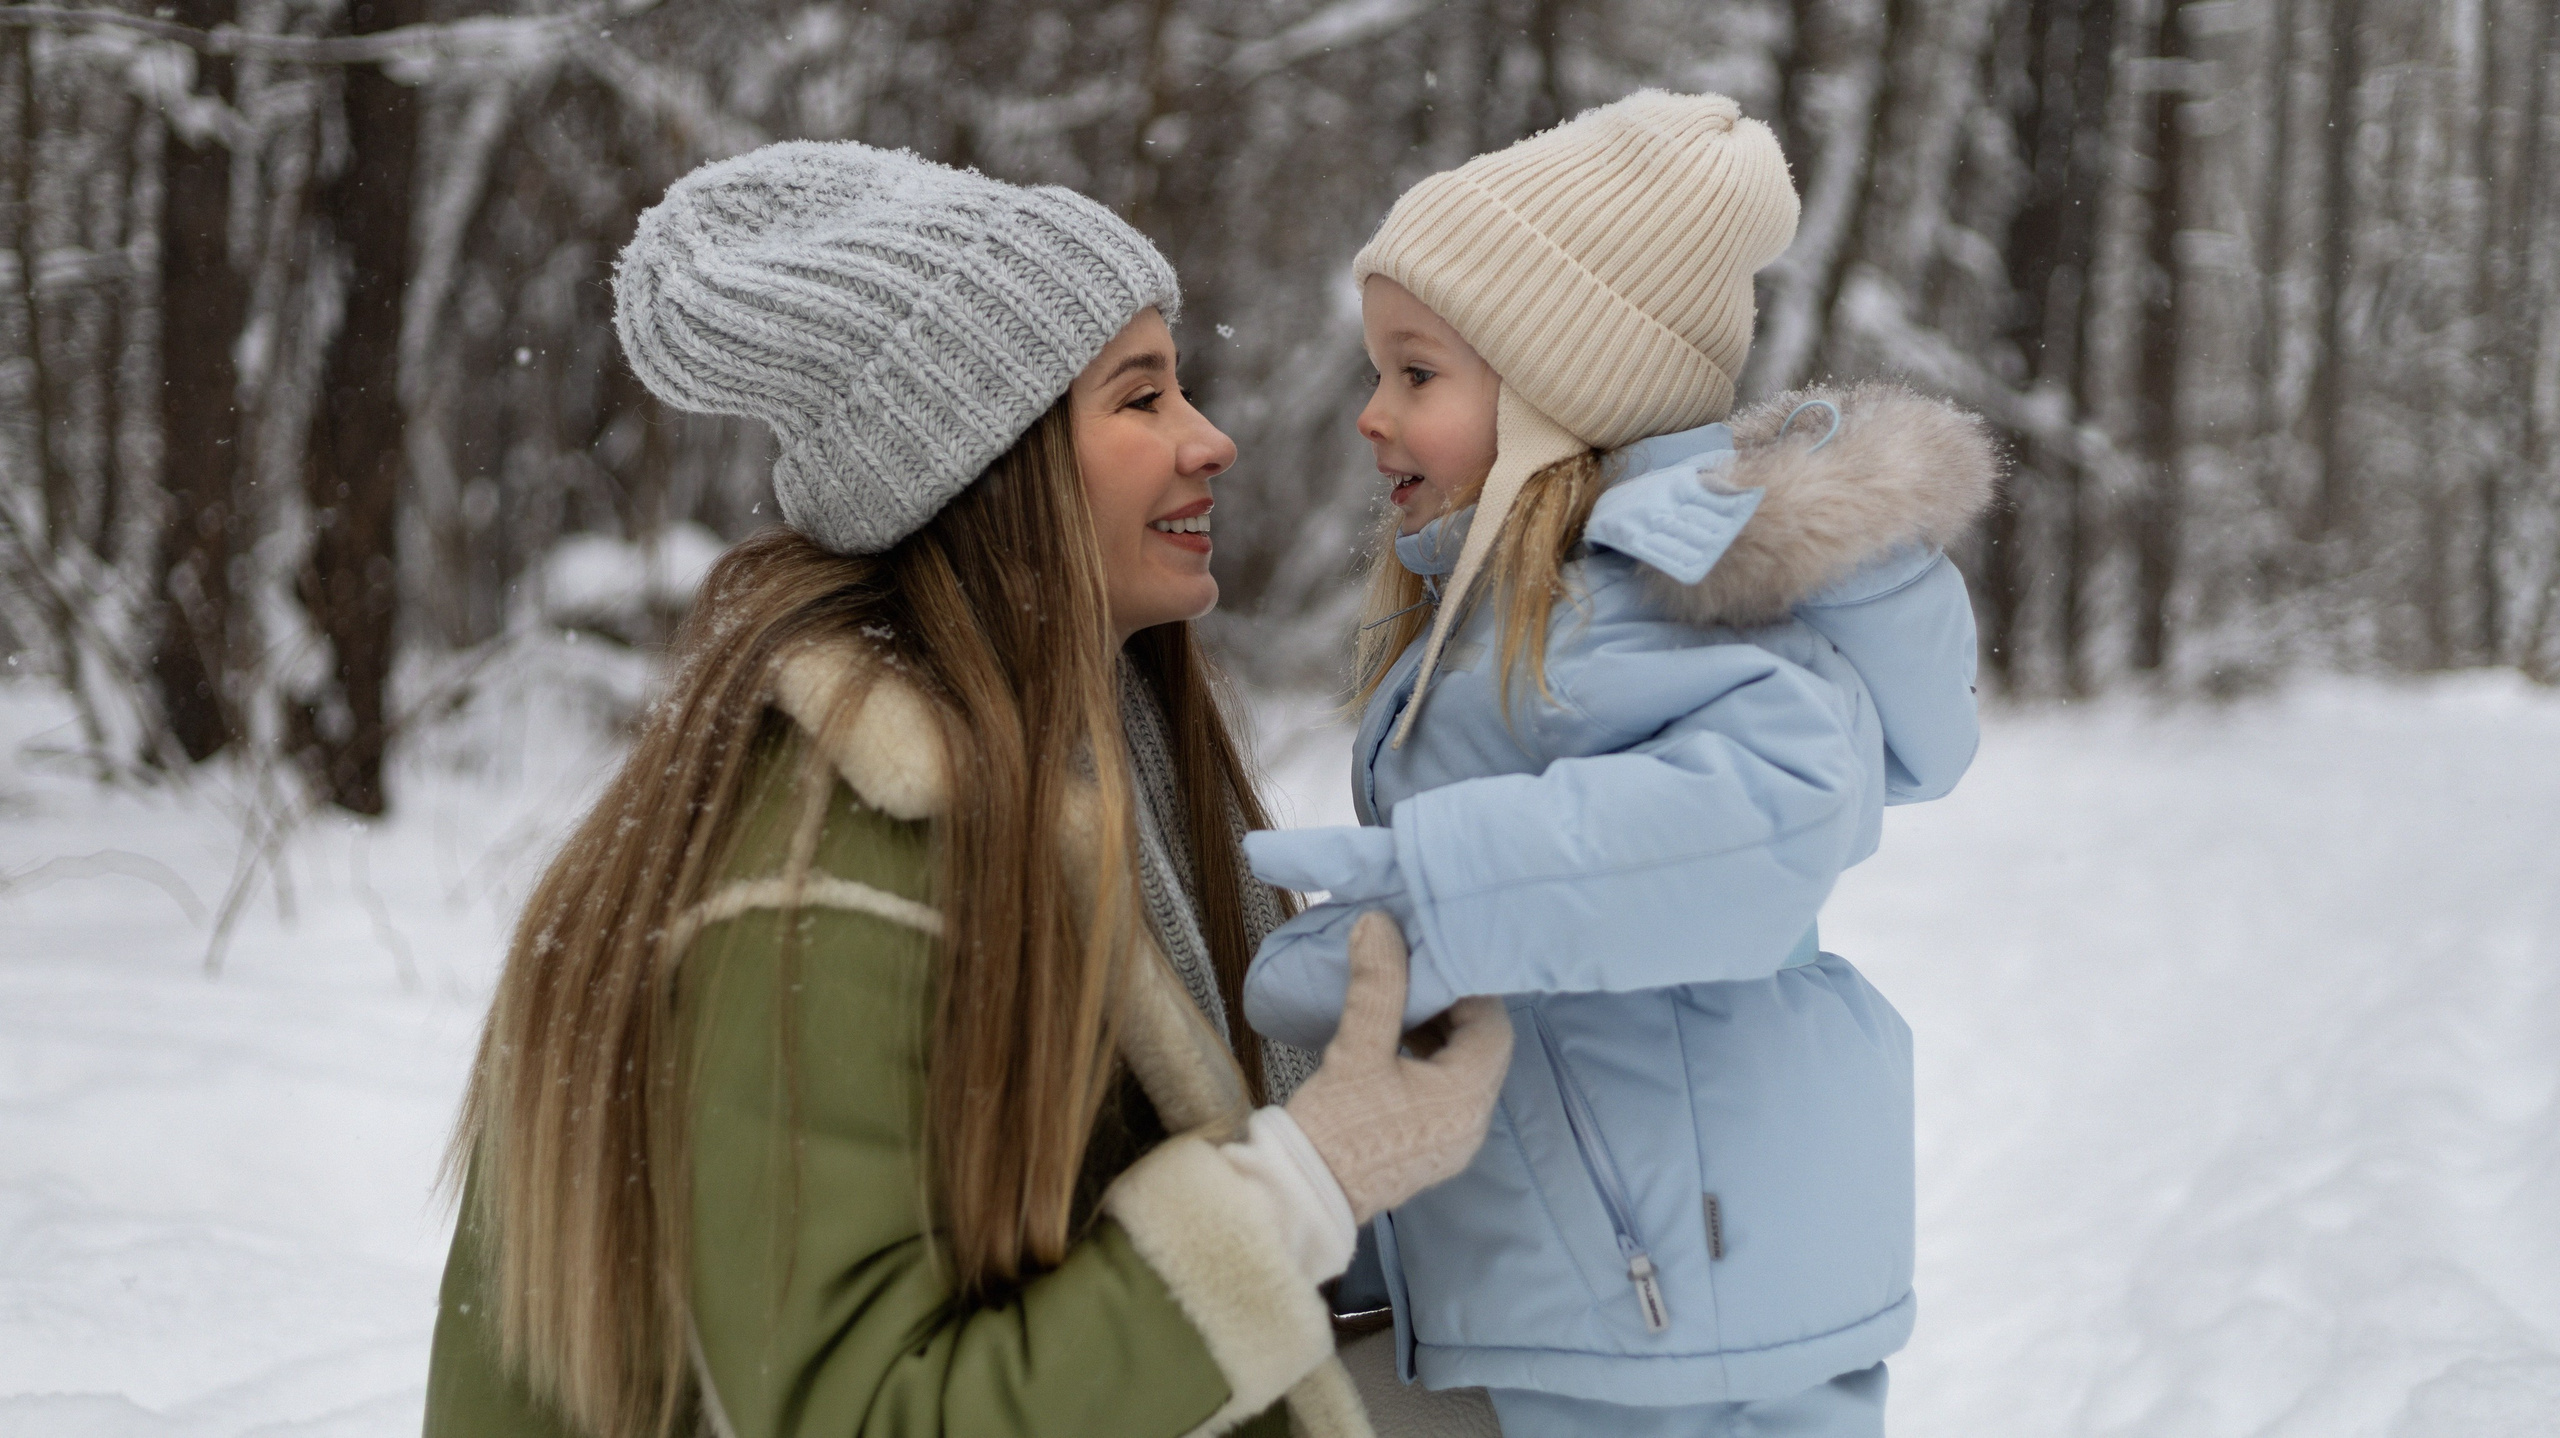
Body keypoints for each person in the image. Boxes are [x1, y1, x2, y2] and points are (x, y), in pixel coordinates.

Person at [421, 140, 1513, 1438]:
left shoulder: (1081, 767)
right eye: (1141, 396)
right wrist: (1308, 1173)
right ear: (992, 465)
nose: (1210, 439)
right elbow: (862, 1414)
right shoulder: (830, 862)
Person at [1239, 92, 2000, 1437]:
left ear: (1561, 392)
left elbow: (1778, 805)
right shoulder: (1535, 609)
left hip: (1661, 1310)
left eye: (1418, 373)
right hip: (1645, 1287)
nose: (1371, 414)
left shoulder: (1619, 602)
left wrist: (1427, 898)